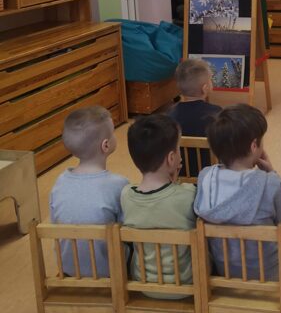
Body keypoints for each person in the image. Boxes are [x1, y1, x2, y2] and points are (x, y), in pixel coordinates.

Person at [194, 104, 281, 283]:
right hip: (267, 271)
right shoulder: (269, 183)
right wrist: (272, 174)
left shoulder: (205, 177)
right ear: (254, 145)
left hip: (224, 270)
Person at [121, 115, 196, 297]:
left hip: (143, 284)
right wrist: (175, 184)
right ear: (171, 158)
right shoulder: (188, 194)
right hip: (187, 284)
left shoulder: (126, 195)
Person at [49, 106, 128, 277]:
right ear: (105, 145)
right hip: (109, 270)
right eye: (113, 133)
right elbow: (128, 229)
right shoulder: (119, 184)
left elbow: (55, 222)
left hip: (69, 269)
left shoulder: (59, 183)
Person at [168, 58, 222, 175]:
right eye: (210, 80)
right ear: (205, 88)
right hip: (210, 175)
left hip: (180, 174)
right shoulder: (216, 113)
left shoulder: (170, 116)